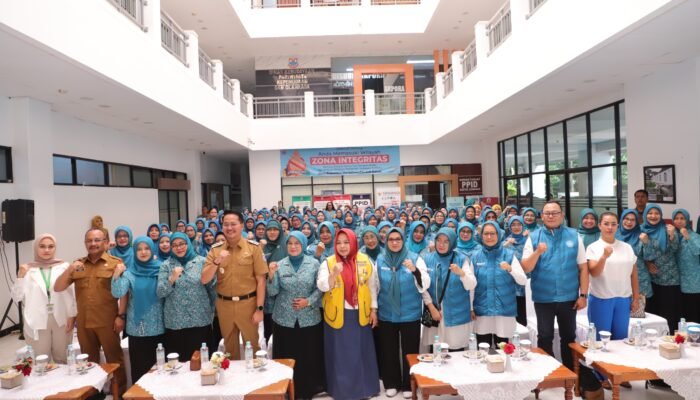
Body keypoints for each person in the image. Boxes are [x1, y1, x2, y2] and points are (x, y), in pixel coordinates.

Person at [54, 228, 127, 395]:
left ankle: (119, 394)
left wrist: (121, 316)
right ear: (85, 243)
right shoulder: (78, 264)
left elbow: (124, 293)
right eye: (89, 240)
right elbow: (58, 287)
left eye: (97, 240)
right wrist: (69, 269)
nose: (93, 244)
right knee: (88, 363)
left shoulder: (116, 263)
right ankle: (94, 395)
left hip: (108, 322)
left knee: (115, 360)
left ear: (105, 242)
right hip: (84, 323)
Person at [521, 201, 588, 370]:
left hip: (569, 297)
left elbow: (583, 267)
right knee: (545, 336)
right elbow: (526, 267)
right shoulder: (533, 237)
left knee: (569, 337)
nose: (551, 216)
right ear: (542, 216)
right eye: (547, 213)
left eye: (555, 213)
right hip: (544, 297)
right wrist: (537, 252)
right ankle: (548, 373)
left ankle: (571, 374)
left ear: (562, 215)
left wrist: (583, 295)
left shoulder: (574, 235)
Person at [317, 228, 380, 400]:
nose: (343, 246)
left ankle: (365, 389)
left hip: (360, 314)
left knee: (361, 353)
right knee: (340, 355)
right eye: (339, 243)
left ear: (353, 242)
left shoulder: (365, 260)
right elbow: (322, 286)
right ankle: (341, 391)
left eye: (346, 242)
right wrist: (333, 274)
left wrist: (373, 310)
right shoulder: (329, 262)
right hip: (338, 315)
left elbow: (372, 287)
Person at [201, 211, 268, 359]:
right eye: (226, 224)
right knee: (229, 349)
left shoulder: (253, 248)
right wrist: (216, 261)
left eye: (233, 224)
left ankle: (255, 374)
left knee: (253, 347)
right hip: (224, 305)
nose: (229, 228)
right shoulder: (216, 250)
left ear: (242, 226)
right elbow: (204, 279)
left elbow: (261, 281)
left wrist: (259, 309)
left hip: (248, 304)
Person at [267, 232, 325, 399]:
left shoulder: (314, 264)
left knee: (308, 355)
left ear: (303, 244)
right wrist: (271, 275)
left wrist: (308, 301)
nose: (293, 246)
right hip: (284, 318)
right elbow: (273, 292)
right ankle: (285, 390)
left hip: (309, 317)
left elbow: (321, 289)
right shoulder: (279, 265)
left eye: (297, 243)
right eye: (290, 243)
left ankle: (308, 390)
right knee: (287, 355)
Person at [375, 228, 429, 398]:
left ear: (403, 240)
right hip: (387, 312)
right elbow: (374, 287)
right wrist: (374, 309)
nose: (394, 242)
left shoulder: (414, 258)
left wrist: (414, 270)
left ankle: (408, 384)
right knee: (388, 349)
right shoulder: (380, 259)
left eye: (398, 239)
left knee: (410, 350)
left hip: (409, 313)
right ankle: (391, 383)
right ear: (386, 241)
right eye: (391, 239)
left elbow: (425, 284)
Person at [12, 234, 76, 363]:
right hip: (37, 319)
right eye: (42, 246)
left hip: (61, 317)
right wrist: (20, 277)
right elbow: (16, 297)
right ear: (36, 247)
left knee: (63, 357)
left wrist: (72, 315)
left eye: (51, 246)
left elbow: (72, 294)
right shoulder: (27, 269)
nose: (47, 250)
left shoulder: (64, 267)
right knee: (41, 360)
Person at [111, 236, 165, 383]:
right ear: (134, 252)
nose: (143, 252)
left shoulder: (162, 269)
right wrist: (117, 274)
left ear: (152, 250)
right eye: (139, 249)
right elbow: (118, 292)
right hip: (138, 329)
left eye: (147, 248)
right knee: (140, 370)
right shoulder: (129, 273)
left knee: (160, 370)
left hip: (160, 326)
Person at [157, 232, 215, 361]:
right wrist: (171, 279)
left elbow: (212, 289)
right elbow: (160, 292)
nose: (179, 248)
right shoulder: (166, 265)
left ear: (188, 244)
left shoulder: (202, 262)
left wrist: (210, 310)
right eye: (174, 245)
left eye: (182, 244)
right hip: (176, 322)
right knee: (179, 363)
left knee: (203, 361)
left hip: (200, 319)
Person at [472, 222, 527, 346]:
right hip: (482, 310)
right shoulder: (475, 256)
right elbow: (471, 287)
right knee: (483, 346)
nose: (489, 237)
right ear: (481, 235)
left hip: (504, 310)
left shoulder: (509, 255)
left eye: (492, 233)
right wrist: (471, 308)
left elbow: (523, 281)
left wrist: (511, 269)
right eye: (486, 234)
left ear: (498, 235)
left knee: (503, 347)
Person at [422, 228, 476, 351]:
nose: (441, 245)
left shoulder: (461, 259)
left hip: (456, 313)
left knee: (455, 351)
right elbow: (422, 287)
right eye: (439, 240)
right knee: (435, 351)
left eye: (446, 241)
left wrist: (461, 273)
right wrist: (431, 308)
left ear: (452, 243)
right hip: (435, 314)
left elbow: (471, 285)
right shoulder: (427, 259)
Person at [587, 212, 640, 339]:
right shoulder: (593, 247)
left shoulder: (627, 247)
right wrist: (604, 257)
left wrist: (636, 298)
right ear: (599, 225)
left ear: (617, 226)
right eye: (606, 224)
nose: (610, 227)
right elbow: (594, 273)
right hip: (601, 298)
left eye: (613, 224)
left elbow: (633, 275)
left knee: (621, 339)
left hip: (623, 299)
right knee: (600, 339)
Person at [638, 204, 681, 332]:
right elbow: (638, 254)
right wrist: (647, 263)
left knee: (668, 312)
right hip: (649, 278)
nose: (653, 216)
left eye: (656, 213)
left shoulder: (668, 229)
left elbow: (675, 250)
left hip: (669, 278)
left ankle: (669, 338)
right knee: (652, 312)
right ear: (645, 214)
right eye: (650, 213)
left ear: (661, 215)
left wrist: (672, 236)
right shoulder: (640, 230)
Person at [616, 210, 650, 315]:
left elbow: (649, 256)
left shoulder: (641, 236)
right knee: (621, 314)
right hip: (618, 279)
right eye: (626, 219)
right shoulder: (614, 235)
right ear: (621, 219)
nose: (629, 222)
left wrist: (646, 243)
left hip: (640, 279)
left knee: (638, 314)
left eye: (633, 220)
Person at [671, 209, 700, 323]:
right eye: (676, 218)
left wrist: (688, 237)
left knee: (693, 314)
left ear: (687, 220)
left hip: (693, 282)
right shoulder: (672, 235)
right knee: (680, 315)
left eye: (682, 218)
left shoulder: (695, 236)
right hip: (676, 281)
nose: (679, 221)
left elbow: (697, 251)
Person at [262, 220, 288, 345]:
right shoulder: (261, 246)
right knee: (269, 326)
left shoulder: (285, 245)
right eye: (269, 229)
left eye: (275, 229)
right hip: (266, 292)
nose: (272, 232)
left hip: (283, 291)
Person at [503, 216, 528, 326]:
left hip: (527, 282)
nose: (516, 227)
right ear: (509, 227)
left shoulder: (529, 241)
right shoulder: (506, 242)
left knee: (525, 314)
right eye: (513, 225)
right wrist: (506, 245)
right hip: (510, 283)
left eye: (519, 224)